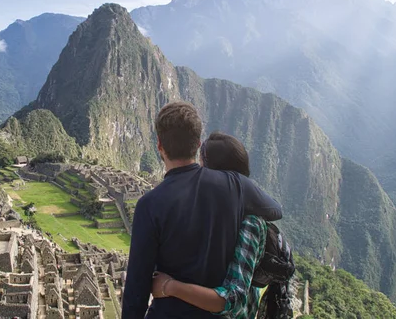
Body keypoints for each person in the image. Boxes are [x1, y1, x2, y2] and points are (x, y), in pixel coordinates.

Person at [121, 102, 282, 318]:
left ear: (159, 146)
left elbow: (136, 290)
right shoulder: (235, 185)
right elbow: (274, 210)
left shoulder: (150, 205)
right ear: (198, 144)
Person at [151, 132, 272, 318]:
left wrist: (170, 287)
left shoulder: (250, 222)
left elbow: (234, 300)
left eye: (201, 165)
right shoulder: (209, 210)